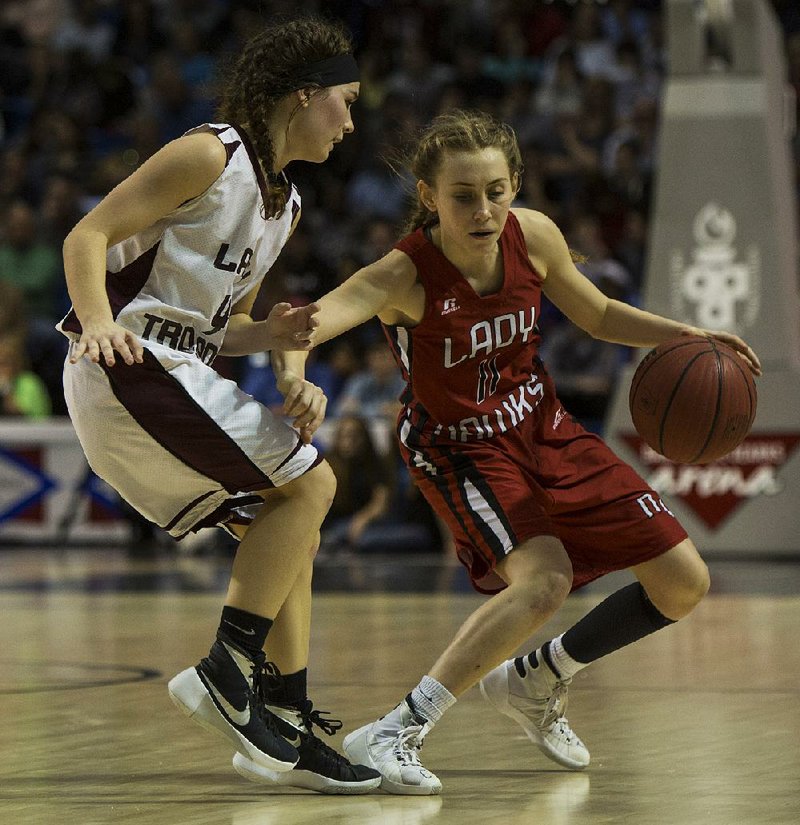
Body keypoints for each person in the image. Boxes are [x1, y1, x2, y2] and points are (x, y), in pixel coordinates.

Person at [295, 109, 761, 795]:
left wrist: (687, 334)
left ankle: (539, 677)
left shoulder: (534, 235)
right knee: (543, 580)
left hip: (542, 425)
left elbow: (598, 313)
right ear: (429, 196)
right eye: (463, 195)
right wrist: (293, 368)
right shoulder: (405, 274)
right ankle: (397, 726)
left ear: (514, 185)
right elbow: (318, 318)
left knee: (684, 580)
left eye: (495, 190)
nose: (483, 208)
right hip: (458, 448)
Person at [57, 15, 381, 795]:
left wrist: (270, 336)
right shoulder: (211, 152)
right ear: (303, 95)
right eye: (344, 100)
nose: (350, 119)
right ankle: (226, 669)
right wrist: (98, 322)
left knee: (289, 522)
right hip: (125, 361)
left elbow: (213, 330)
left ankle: (286, 715)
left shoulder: (286, 206)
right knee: (313, 483)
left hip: (172, 367)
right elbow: (87, 236)